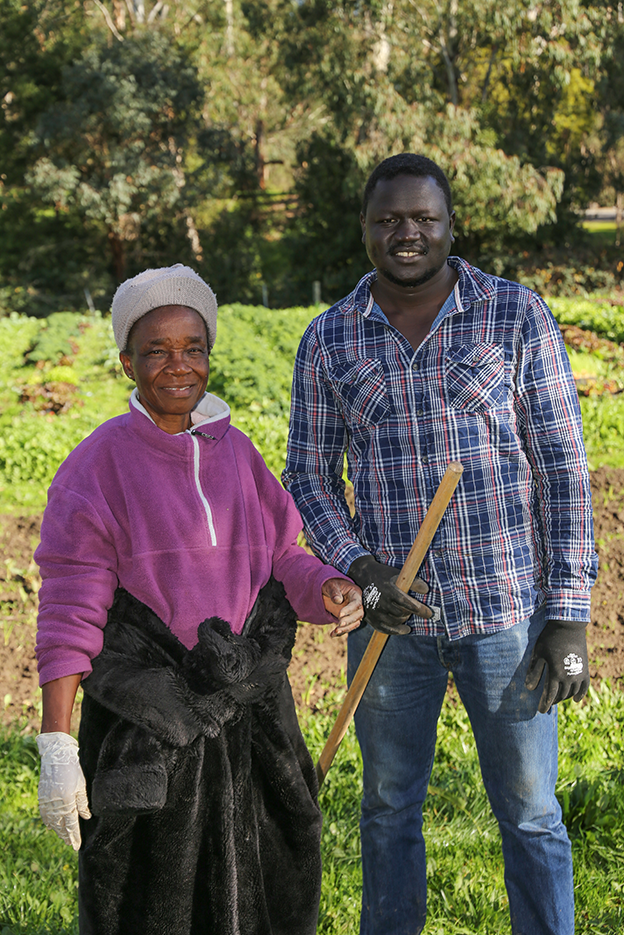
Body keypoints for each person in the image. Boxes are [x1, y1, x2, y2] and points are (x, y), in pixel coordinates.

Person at [283, 154, 598, 935]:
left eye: (424, 217)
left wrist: (568, 612)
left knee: (531, 811)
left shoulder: (515, 316)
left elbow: (562, 466)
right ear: (365, 229)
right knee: (389, 805)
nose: (408, 233)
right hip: (392, 625)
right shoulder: (329, 339)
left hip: (507, 614)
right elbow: (309, 477)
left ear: (451, 225)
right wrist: (363, 569)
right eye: (389, 219)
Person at [34, 264, 363, 935]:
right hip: (154, 730)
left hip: (250, 725)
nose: (178, 365)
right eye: (156, 350)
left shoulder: (237, 454)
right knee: (151, 906)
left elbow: (282, 556)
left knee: (265, 894)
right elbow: (70, 609)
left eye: (193, 348)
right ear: (127, 362)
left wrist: (325, 587)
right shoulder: (97, 467)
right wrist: (57, 744)